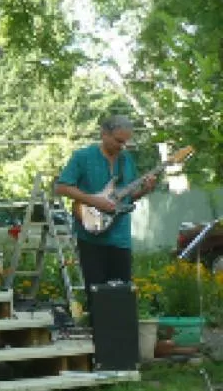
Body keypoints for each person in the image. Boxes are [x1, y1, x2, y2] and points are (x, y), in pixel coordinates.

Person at [54, 114, 157, 301]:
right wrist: (94, 201)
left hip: (121, 237)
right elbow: (61, 187)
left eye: (125, 142)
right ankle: (99, 330)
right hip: (91, 236)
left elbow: (125, 199)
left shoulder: (126, 160)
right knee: (97, 294)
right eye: (118, 141)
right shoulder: (83, 157)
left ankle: (120, 330)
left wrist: (145, 190)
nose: (122, 146)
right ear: (104, 134)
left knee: (121, 293)